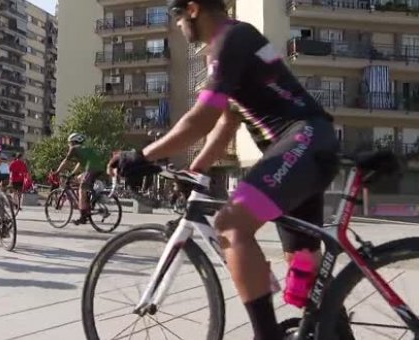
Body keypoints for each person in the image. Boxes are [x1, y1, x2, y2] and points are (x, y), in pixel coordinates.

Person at [108, 1, 344, 339]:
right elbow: (224, 124)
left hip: (302, 141)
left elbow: (200, 119)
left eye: (175, 16)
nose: (175, 26)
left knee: (231, 226)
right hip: (308, 146)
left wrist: (141, 155)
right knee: (304, 266)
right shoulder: (231, 45)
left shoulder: (230, 39)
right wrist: (196, 169)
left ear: (191, 9)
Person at [55, 133, 105, 225]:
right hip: (99, 167)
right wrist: (72, 174)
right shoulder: (84, 149)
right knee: (79, 178)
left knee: (82, 190)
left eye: (69, 143)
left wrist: (57, 172)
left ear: (73, 142)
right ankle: (89, 200)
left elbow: (65, 161)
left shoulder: (74, 148)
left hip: (92, 168)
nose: (69, 145)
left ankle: (83, 217)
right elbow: (80, 164)